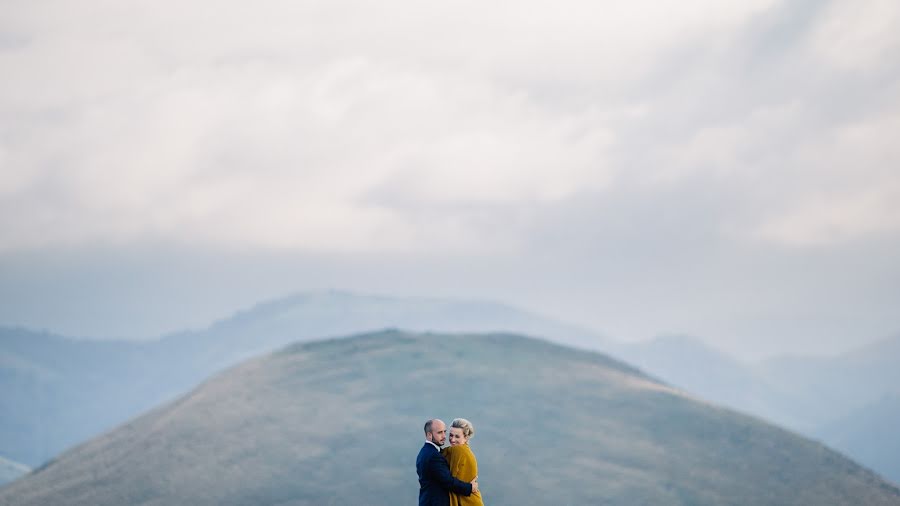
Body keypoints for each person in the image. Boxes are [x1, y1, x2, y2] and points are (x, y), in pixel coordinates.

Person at [417, 419, 478, 506]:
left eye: (444, 432)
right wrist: (470, 487)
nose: (444, 436)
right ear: (429, 435)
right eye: (439, 433)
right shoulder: (433, 455)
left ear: (466, 438)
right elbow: (448, 481)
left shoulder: (426, 451)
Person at [441, 418, 484, 506]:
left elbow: (450, 481)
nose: (452, 440)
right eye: (451, 435)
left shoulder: (459, 450)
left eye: (457, 436)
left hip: (468, 502)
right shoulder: (465, 450)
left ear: (466, 438)